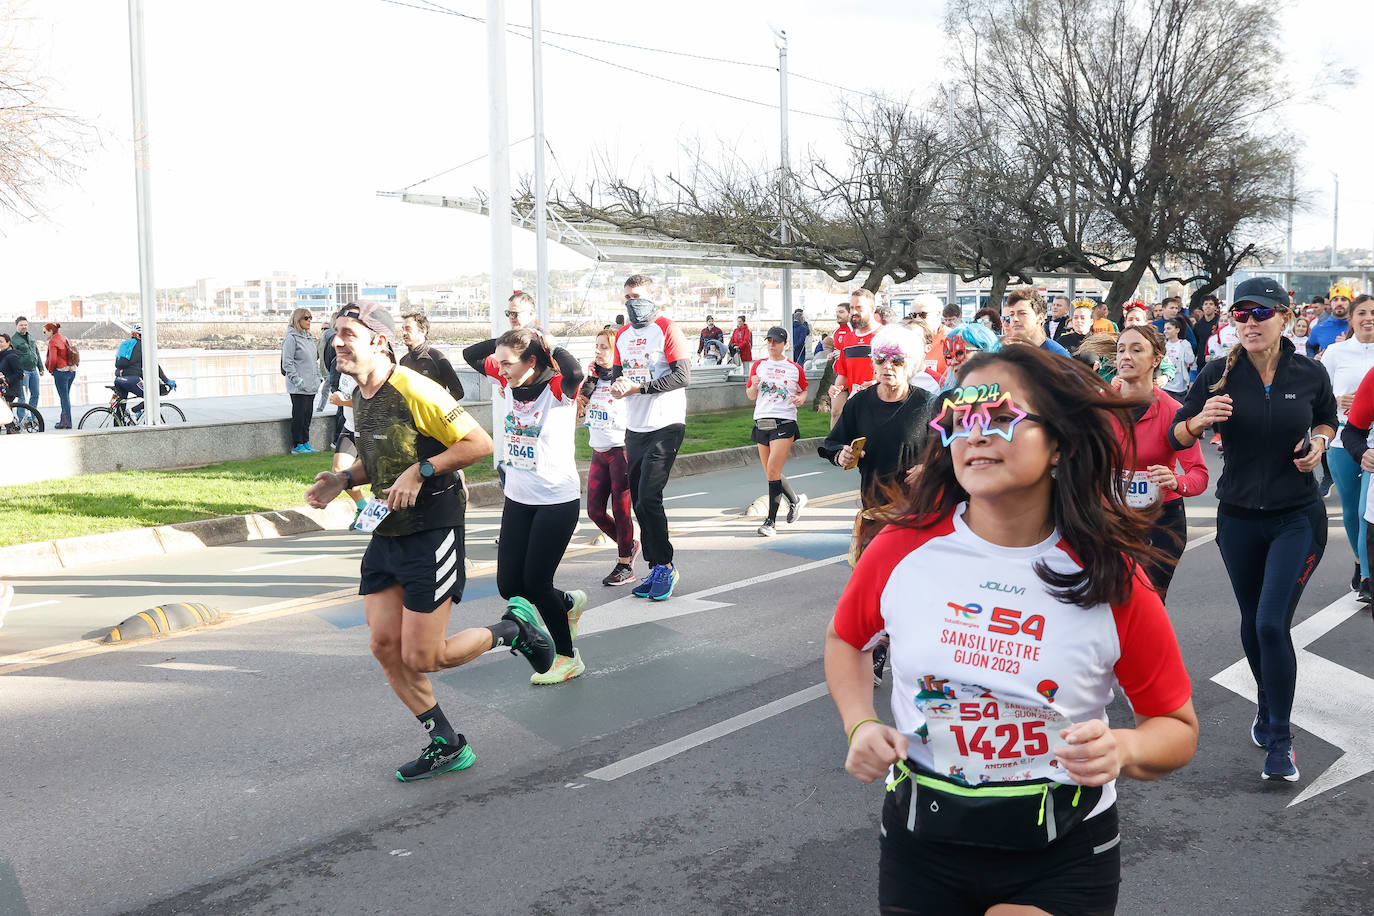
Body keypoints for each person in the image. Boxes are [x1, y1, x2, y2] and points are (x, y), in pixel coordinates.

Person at [826, 344, 1196, 916]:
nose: (976, 434)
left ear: (1060, 444)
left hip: (1062, 852)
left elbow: (1175, 726)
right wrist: (860, 723)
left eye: (1000, 418)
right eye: (958, 420)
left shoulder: (1110, 575)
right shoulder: (900, 549)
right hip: (921, 843)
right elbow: (847, 639)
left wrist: (1124, 747)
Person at [304, 303, 549, 782]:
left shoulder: (415, 387)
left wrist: (423, 470)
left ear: (379, 341)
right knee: (383, 645)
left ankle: (513, 630)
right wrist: (344, 478)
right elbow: (384, 458)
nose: (336, 342)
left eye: (347, 334)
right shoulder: (360, 392)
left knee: (425, 656)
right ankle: (447, 743)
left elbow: (479, 443)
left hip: (431, 530)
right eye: (334, 334)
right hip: (386, 531)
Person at [1170, 276, 1336, 781]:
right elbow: (1177, 433)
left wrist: (1320, 446)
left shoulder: (1309, 372)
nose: (1248, 322)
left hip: (1296, 517)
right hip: (1238, 517)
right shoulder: (1218, 374)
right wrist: (1200, 423)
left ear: (1285, 317)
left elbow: (1329, 420)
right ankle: (1267, 707)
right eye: (1240, 314)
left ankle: (1281, 740)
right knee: (1252, 620)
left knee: (1270, 623)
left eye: (1259, 313)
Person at [464, 326, 589, 685]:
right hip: (518, 498)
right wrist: (509, 339)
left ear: (531, 361)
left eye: (507, 363)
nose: (500, 369)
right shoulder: (508, 384)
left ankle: (568, 658)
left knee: (535, 583)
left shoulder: (556, 391)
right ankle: (566, 603)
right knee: (509, 585)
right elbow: (471, 354)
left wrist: (548, 343)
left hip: (555, 500)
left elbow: (576, 372)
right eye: (499, 363)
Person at [610, 274, 691, 601]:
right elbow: (618, 374)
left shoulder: (667, 329)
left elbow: (683, 376)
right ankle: (656, 565)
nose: (633, 302)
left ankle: (665, 566)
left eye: (639, 296)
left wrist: (640, 388)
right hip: (636, 427)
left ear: (653, 297)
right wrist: (617, 385)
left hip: (666, 424)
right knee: (640, 502)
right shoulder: (623, 335)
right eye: (628, 297)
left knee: (648, 497)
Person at [1114, 325, 1208, 600]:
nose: (1125, 357)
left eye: (1136, 349)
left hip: (1160, 522)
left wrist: (1175, 481)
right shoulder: (1100, 407)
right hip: (1110, 518)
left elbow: (1199, 475)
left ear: (1156, 359)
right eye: (1121, 350)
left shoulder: (1173, 411)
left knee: (1147, 603)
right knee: (1107, 604)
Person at [819, 324, 933, 512]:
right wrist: (841, 455)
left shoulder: (928, 404)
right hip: (874, 508)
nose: (887, 366)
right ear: (873, 363)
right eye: (880, 359)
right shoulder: (859, 403)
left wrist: (928, 468)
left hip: (918, 508)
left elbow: (948, 452)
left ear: (910, 364)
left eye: (896, 360)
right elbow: (833, 442)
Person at [1316, 293, 1374, 598]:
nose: (1369, 318)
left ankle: (1367, 576)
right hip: (1343, 439)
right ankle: (1359, 559)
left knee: (1369, 508)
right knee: (1352, 509)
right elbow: (1318, 394)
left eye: (1373, 312)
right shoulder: (1336, 352)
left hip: (1373, 444)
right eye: (1362, 312)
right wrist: (1337, 401)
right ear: (1350, 319)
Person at [579, 328, 638, 586]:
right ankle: (630, 545)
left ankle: (625, 564)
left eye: (604, 347)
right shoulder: (591, 380)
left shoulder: (624, 379)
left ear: (616, 351)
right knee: (594, 511)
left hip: (620, 451)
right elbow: (579, 408)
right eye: (597, 346)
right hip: (599, 451)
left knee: (621, 510)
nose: (598, 351)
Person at [747, 326, 809, 537]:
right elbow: (750, 395)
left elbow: (803, 390)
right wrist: (754, 386)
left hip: (784, 421)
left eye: (777, 341)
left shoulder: (794, 368)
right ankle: (795, 501)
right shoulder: (759, 366)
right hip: (762, 422)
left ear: (785, 344)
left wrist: (801, 398)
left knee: (773, 470)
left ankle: (770, 522)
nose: (772, 344)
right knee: (770, 473)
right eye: (769, 340)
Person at [829, 289, 880, 421]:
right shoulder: (848, 339)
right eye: (852, 308)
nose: (854, 312)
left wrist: (877, 383)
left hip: (881, 406)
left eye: (859, 308)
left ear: (872, 309)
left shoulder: (885, 335)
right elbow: (843, 374)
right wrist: (836, 388)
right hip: (856, 404)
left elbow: (901, 372)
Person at [280, 308, 323, 453]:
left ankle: (305, 442)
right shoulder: (291, 339)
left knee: (307, 416)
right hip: (298, 387)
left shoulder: (309, 339)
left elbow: (314, 361)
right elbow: (287, 363)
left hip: (311, 386)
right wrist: (297, 381)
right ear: (298, 319)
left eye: (311, 318)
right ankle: (297, 444)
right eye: (306, 318)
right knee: (299, 416)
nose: (309, 320)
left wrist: (318, 377)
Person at [399, 312, 465, 402]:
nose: (404, 333)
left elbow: (458, 392)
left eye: (408, 329)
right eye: (403, 329)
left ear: (423, 331)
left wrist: (437, 406)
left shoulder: (438, 358)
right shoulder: (403, 361)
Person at [113, 323, 174, 405]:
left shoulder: (125, 344)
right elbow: (154, 366)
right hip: (132, 380)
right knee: (152, 397)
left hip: (118, 379)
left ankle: (116, 416)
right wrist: (167, 380)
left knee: (120, 406)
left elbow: (130, 365)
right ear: (140, 335)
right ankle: (134, 411)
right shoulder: (143, 346)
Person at [1003, 286, 1072, 357]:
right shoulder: (1006, 354)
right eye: (1011, 314)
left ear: (1040, 318)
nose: (1015, 319)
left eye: (1022, 313)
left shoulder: (1058, 355)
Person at [939, 321, 1001, 389]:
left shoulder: (1006, 394)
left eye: (960, 353)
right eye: (949, 357)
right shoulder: (946, 398)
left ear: (985, 352)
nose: (953, 362)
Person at [43, 322, 76, 429]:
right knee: (65, 397)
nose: (44, 334)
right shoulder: (64, 337)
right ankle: (64, 421)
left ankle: (66, 422)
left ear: (51, 331)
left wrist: (51, 370)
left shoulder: (53, 341)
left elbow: (52, 359)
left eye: (45, 332)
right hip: (71, 371)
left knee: (64, 398)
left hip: (61, 372)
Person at [10, 316, 43, 423]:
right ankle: (21, 420)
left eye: (25, 325)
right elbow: (13, 357)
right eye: (21, 325)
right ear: (16, 326)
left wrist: (40, 367)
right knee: (22, 398)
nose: (24, 327)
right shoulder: (13, 340)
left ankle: (32, 419)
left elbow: (36, 352)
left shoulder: (31, 337)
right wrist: (19, 371)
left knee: (36, 394)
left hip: (33, 370)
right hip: (23, 372)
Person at [1307, 285, 1352, 357]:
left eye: (1343, 299)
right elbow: (1310, 347)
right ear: (1330, 303)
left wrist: (1349, 345)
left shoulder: (1358, 328)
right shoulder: (1319, 328)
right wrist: (1314, 360)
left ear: (1350, 303)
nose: (1339, 303)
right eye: (1335, 300)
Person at [1160, 317, 1195, 397]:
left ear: (1177, 330)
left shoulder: (1184, 344)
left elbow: (1191, 361)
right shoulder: (1163, 345)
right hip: (1165, 386)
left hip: (1180, 387)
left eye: (1168, 328)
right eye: (1164, 329)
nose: (1165, 331)